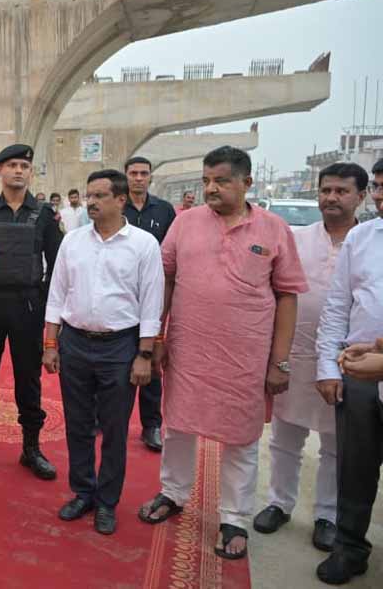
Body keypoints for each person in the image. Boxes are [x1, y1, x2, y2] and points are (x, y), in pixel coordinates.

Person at [138, 146, 307, 562]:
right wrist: (156, 337)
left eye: (221, 181)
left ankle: (234, 518)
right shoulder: (186, 222)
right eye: (206, 180)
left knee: (241, 438)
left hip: (245, 356)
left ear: (246, 183)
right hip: (188, 349)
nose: (211, 188)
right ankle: (173, 493)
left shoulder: (273, 229)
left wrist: (279, 362)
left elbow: (287, 296)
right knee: (177, 426)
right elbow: (166, 278)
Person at [253, 163, 367, 555]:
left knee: (336, 444)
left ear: (360, 197)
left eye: (341, 191)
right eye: (326, 190)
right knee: (286, 436)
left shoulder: (369, 242)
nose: (332, 197)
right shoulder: (297, 239)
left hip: (350, 358)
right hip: (297, 352)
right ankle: (279, 503)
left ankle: (327, 516)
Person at [43, 170, 163, 535]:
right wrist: (50, 344)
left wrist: (144, 355)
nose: (91, 202)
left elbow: (151, 303)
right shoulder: (73, 241)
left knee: (114, 428)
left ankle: (107, 501)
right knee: (78, 424)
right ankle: (83, 492)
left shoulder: (143, 244)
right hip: (75, 344)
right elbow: (57, 294)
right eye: (89, 195)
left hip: (120, 347)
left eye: (99, 196)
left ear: (121, 200)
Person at [0, 144, 63, 480]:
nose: (18, 171)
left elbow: (57, 264)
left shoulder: (45, 215)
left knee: (28, 378)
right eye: (12, 165)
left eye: (24, 166)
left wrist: (44, 301)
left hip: (27, 305)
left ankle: (31, 448)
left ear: (30, 172)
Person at [312, 157, 383, 585]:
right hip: (357, 375)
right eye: (378, 186)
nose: (380, 196)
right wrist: (328, 366)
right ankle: (350, 548)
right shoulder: (363, 237)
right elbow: (338, 306)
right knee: (354, 469)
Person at [122, 156, 177, 452]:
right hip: (121, 295)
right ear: (126, 176)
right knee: (114, 360)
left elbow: (173, 254)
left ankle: (151, 425)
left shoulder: (164, 210)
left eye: (144, 173)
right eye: (133, 173)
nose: (139, 178)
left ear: (151, 177)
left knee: (152, 360)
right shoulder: (117, 206)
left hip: (154, 297)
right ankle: (103, 418)